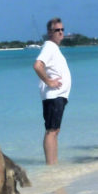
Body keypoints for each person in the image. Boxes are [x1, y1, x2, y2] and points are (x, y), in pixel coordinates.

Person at [33, 17, 72, 165]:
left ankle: (54, 163)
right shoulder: (49, 47)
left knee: (55, 130)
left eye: (62, 29)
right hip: (53, 96)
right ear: (50, 32)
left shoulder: (53, 48)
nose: (61, 32)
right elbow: (37, 65)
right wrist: (49, 81)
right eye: (57, 30)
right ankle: (50, 165)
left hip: (58, 96)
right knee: (51, 131)